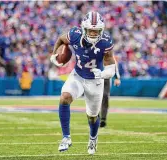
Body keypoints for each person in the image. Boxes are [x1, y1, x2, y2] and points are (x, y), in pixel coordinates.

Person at [50, 11, 116, 155]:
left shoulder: (105, 40)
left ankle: (93, 139)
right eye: (90, 30)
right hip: (78, 76)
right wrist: (54, 55)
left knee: (92, 116)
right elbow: (61, 39)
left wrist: (104, 74)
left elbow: (111, 66)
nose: (93, 33)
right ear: (84, 28)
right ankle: (66, 137)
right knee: (65, 96)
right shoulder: (75, 34)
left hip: (95, 81)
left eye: (96, 30)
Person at [100, 59, 121, 128]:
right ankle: (94, 117)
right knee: (94, 97)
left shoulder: (108, 51)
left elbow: (113, 64)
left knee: (105, 96)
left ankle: (103, 119)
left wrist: (117, 78)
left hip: (106, 77)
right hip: (95, 77)